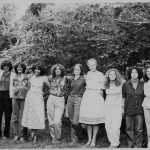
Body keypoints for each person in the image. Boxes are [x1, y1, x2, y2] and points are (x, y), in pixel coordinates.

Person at [79, 58, 105, 148]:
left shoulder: (100, 74)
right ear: (88, 66)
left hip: (96, 96)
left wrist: (101, 90)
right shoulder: (88, 74)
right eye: (90, 65)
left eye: (93, 64)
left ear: (96, 65)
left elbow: (104, 85)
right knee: (88, 120)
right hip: (88, 96)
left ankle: (94, 139)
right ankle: (89, 139)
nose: (92, 66)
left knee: (95, 119)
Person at [22, 64, 50, 142]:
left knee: (37, 115)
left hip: (38, 98)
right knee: (30, 115)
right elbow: (27, 87)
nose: (37, 70)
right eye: (36, 69)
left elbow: (50, 87)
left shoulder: (44, 78)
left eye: (38, 69)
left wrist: (44, 93)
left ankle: (34, 135)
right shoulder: (30, 76)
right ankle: (32, 134)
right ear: (34, 69)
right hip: (30, 98)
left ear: (41, 70)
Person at [122, 67, 144, 148]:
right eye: (132, 72)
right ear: (130, 74)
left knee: (139, 129)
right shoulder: (125, 84)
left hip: (140, 110)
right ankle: (131, 145)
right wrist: (122, 108)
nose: (134, 74)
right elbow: (123, 97)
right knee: (129, 129)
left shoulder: (143, 84)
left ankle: (138, 146)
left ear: (139, 74)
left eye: (136, 72)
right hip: (129, 109)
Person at [104, 69, 125, 148]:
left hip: (117, 107)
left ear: (116, 75)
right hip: (107, 106)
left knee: (116, 126)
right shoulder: (106, 83)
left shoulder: (122, 83)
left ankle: (116, 142)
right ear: (108, 75)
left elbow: (124, 96)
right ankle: (112, 142)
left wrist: (123, 107)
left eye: (113, 74)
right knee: (108, 125)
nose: (112, 76)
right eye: (110, 74)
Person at [66, 64, 86, 144]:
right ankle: (80, 133)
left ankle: (75, 139)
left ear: (81, 71)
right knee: (71, 119)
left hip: (79, 98)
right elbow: (67, 88)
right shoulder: (70, 79)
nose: (76, 71)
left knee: (75, 120)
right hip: (70, 98)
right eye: (75, 69)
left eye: (78, 70)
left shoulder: (84, 79)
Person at [47, 64, 66, 143]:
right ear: (54, 70)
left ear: (61, 70)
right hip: (51, 98)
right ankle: (53, 138)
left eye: (59, 69)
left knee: (57, 121)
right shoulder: (50, 78)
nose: (57, 70)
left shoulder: (65, 78)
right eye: (56, 69)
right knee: (51, 121)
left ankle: (58, 138)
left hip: (60, 99)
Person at [12, 62, 29, 141]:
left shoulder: (27, 77)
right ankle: (16, 134)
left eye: (21, 67)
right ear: (16, 68)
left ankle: (22, 135)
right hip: (15, 98)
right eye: (18, 67)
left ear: (23, 69)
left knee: (23, 116)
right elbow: (12, 87)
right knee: (15, 116)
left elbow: (29, 87)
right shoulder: (14, 77)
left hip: (24, 99)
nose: (19, 68)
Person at [0, 59, 15, 139]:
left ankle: (6, 134)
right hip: (0, 95)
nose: (6, 67)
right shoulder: (0, 73)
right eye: (4, 66)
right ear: (2, 66)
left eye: (7, 66)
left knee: (7, 116)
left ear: (10, 67)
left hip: (8, 96)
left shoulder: (13, 75)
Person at [142, 64, 150, 148]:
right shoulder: (145, 83)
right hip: (146, 103)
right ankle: (149, 142)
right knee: (148, 124)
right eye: (148, 71)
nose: (149, 73)